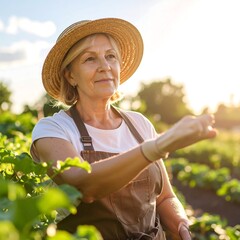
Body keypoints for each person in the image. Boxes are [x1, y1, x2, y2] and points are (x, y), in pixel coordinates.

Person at [30, 18, 217, 240]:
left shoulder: (139, 124)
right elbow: (83, 185)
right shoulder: (53, 128)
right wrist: (157, 147)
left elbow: (165, 197)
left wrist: (180, 224)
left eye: (111, 56)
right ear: (70, 75)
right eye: (90, 58)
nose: (105, 66)